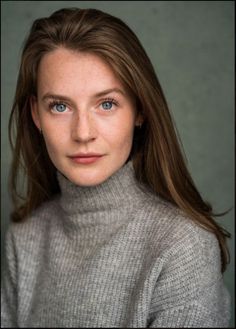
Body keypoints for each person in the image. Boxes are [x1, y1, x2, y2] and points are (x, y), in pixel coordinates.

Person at [1, 7, 231, 328]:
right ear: (36, 115)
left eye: (106, 104)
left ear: (140, 110)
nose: (83, 133)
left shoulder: (182, 246)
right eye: (60, 106)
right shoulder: (24, 241)